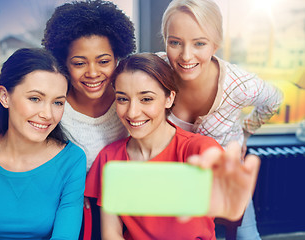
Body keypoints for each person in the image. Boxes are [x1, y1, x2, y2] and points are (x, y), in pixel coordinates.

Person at [84, 53, 260, 240]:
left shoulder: (199, 149)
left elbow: (227, 197)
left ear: (169, 98)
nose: (133, 113)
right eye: (122, 99)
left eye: (146, 99)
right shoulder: (110, 158)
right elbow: (111, 234)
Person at [158, 0, 283, 238]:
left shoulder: (240, 85)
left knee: (247, 236)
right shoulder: (155, 70)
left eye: (199, 43)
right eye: (175, 42)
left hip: (225, 180)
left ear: (215, 44)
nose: (186, 56)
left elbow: (274, 98)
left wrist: (246, 132)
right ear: (165, 40)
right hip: (174, 183)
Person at [0, 48, 86, 239]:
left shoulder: (72, 159)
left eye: (58, 102)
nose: (48, 114)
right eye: (35, 98)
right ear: (5, 97)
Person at [42, 0, 136, 173]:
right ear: (64, 63)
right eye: (79, 63)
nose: (93, 73)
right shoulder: (53, 109)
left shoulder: (131, 100)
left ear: (117, 58)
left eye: (104, 61)